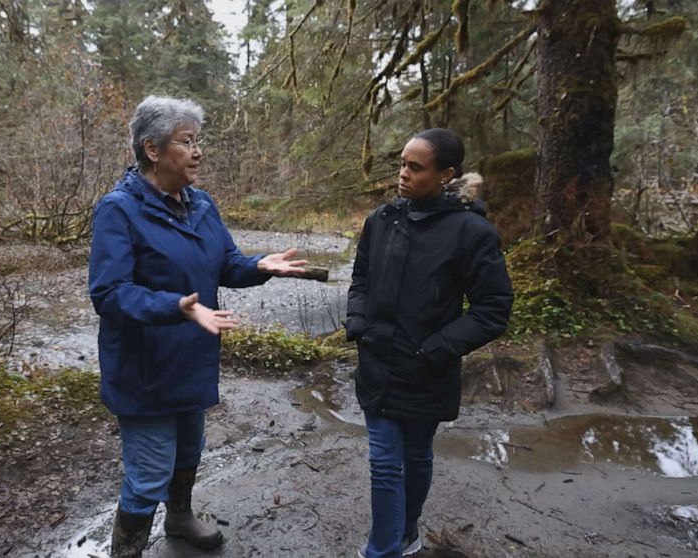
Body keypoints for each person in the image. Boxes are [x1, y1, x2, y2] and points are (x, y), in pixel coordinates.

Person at [88, 95, 308, 558]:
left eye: (197, 141)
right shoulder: (119, 210)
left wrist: (259, 266)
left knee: (189, 451)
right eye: (187, 142)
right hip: (144, 367)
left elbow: (225, 265)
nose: (198, 151)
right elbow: (108, 294)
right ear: (152, 149)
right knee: (148, 473)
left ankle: (181, 518)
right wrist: (178, 306)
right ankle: (125, 552)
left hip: (193, 357)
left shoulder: (201, 203)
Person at [345, 128, 513, 558]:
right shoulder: (381, 220)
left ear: (446, 175)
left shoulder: (471, 232)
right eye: (401, 163)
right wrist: (359, 324)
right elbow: (360, 279)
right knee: (385, 463)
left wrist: (437, 348)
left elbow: (492, 308)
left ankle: (407, 532)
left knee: (417, 456)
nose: (402, 174)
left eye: (415, 167)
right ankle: (381, 550)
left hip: (427, 369)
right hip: (378, 362)